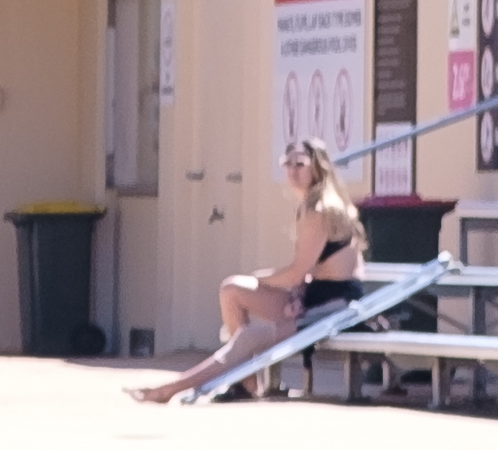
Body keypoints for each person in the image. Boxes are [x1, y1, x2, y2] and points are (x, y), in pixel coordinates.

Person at [142, 140, 364, 401]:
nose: (293, 171)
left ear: (318, 168)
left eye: (301, 165)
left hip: (333, 307)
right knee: (233, 289)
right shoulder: (309, 205)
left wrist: (260, 278)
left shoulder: (320, 210)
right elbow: (309, 272)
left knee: (247, 337)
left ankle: (172, 389)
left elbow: (297, 273)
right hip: (314, 296)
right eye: (288, 164)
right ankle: (247, 384)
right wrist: (296, 293)